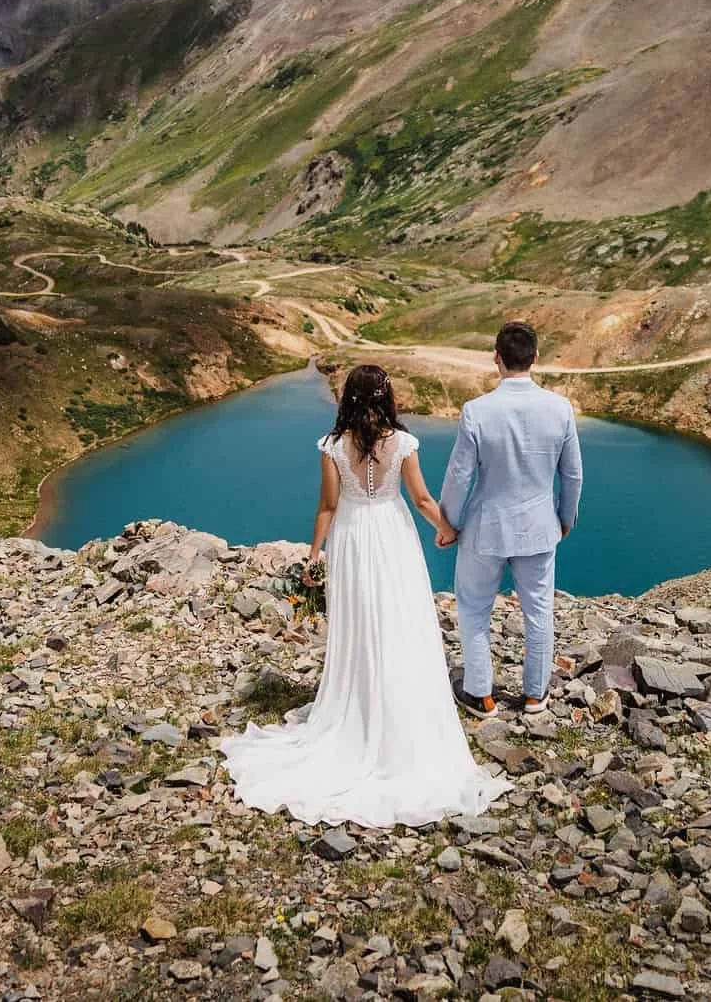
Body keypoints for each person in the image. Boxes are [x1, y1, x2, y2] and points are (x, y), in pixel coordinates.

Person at [218, 364, 509, 827]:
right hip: (392, 536)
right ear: (386, 396)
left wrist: (314, 556)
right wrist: (447, 530)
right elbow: (422, 501)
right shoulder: (404, 443)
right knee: (400, 620)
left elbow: (328, 508)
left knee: (359, 625)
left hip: (352, 539)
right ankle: (402, 713)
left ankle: (356, 710)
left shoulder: (332, 447)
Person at [439, 321, 584, 717]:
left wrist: (447, 523)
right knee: (538, 612)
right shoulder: (560, 409)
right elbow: (571, 474)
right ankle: (536, 695)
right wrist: (565, 518)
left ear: (497, 358)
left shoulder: (476, 411)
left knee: (473, 608)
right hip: (540, 527)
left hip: (486, 527)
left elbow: (459, 476)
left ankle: (481, 695)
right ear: (536, 358)